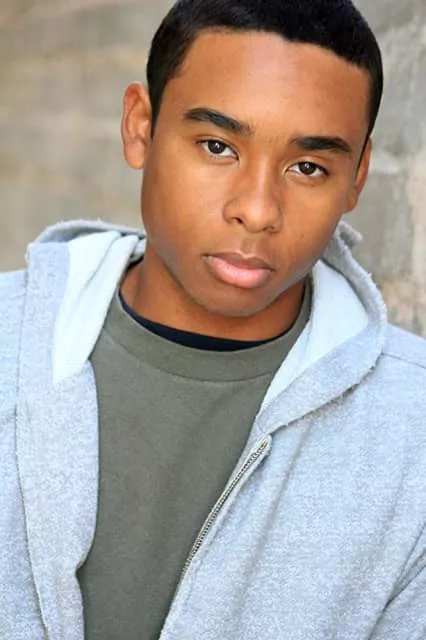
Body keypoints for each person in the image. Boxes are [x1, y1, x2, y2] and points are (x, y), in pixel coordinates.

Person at [1, 0, 425, 638]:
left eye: (308, 167)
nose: (258, 210)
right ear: (140, 128)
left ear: (357, 177)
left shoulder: (413, 434)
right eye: (218, 146)